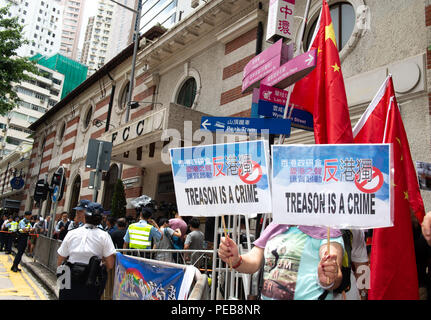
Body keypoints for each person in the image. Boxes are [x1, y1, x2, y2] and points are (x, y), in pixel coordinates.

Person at [218, 223, 344, 300]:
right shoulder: (275, 226)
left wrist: (329, 273)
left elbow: (333, 267)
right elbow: (253, 261)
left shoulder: (328, 229)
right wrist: (235, 259)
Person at [57, 202, 116, 300]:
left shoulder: (72, 233)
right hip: (90, 280)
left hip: (68, 277)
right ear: (101, 219)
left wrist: (61, 280)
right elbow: (110, 264)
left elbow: (60, 260)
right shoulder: (104, 236)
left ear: (85, 216)